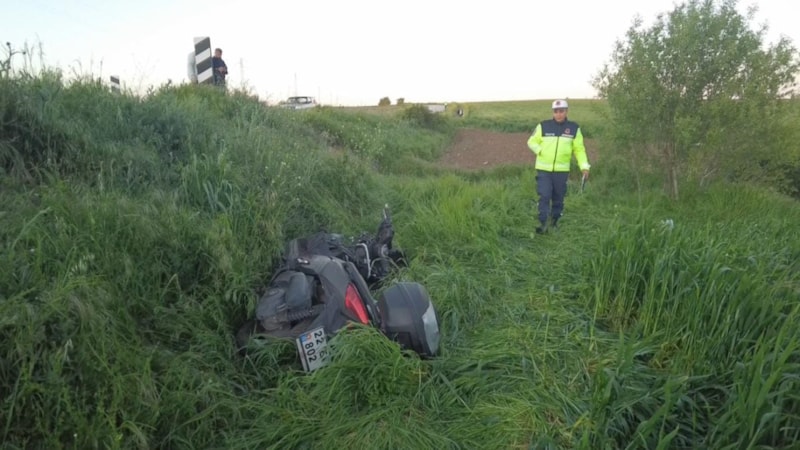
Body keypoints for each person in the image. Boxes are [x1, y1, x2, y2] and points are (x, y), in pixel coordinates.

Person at [527, 99, 591, 234]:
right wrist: (540, 151)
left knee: (558, 198)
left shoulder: (574, 128)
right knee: (544, 196)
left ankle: (554, 222)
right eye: (556, 111)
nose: (559, 114)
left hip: (561, 171)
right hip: (543, 169)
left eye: (561, 111)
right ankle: (543, 223)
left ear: (566, 111)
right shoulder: (543, 126)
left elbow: (579, 150)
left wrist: (584, 167)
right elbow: (531, 141)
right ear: (553, 113)